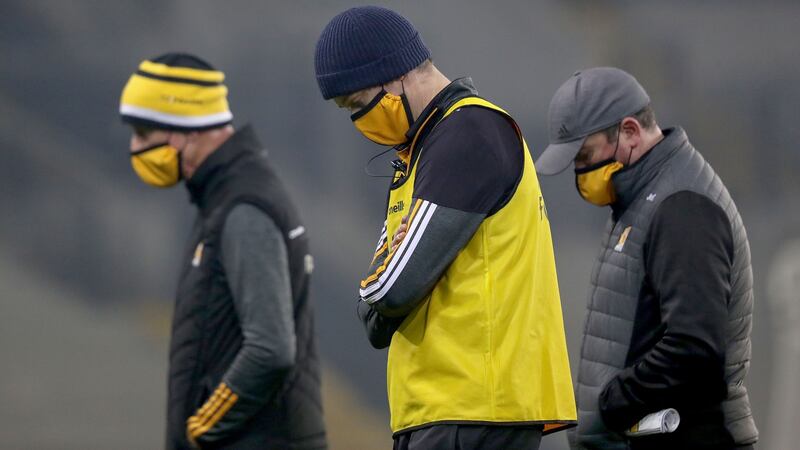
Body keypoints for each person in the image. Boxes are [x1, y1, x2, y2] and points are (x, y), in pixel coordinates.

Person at [314, 6, 576, 450]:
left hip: (473, 408)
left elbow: (389, 290)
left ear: (394, 74)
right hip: (445, 409)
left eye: (359, 105)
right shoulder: (419, 154)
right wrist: (389, 278)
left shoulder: (469, 133)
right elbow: (377, 323)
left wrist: (384, 280)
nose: (360, 122)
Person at [535, 67, 758, 450]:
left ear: (630, 132)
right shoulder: (641, 200)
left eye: (585, 155)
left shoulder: (681, 207)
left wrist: (611, 405)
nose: (580, 172)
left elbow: (695, 348)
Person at [119, 53, 326, 450]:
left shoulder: (242, 206)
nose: (134, 146)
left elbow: (271, 348)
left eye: (144, 133)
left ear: (186, 129)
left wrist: (199, 430)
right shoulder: (223, 197)